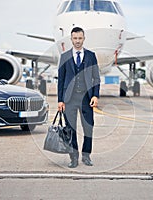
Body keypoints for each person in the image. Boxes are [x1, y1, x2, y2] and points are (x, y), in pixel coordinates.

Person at [57, 27, 101, 168]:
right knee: (71, 130)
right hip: (69, 99)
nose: (77, 41)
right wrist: (60, 100)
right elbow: (61, 80)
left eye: (80, 38)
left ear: (84, 38)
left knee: (88, 128)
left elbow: (96, 78)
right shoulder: (64, 57)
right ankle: (73, 157)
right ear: (71, 39)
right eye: (75, 38)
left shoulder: (91, 56)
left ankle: (86, 155)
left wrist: (95, 95)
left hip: (86, 99)